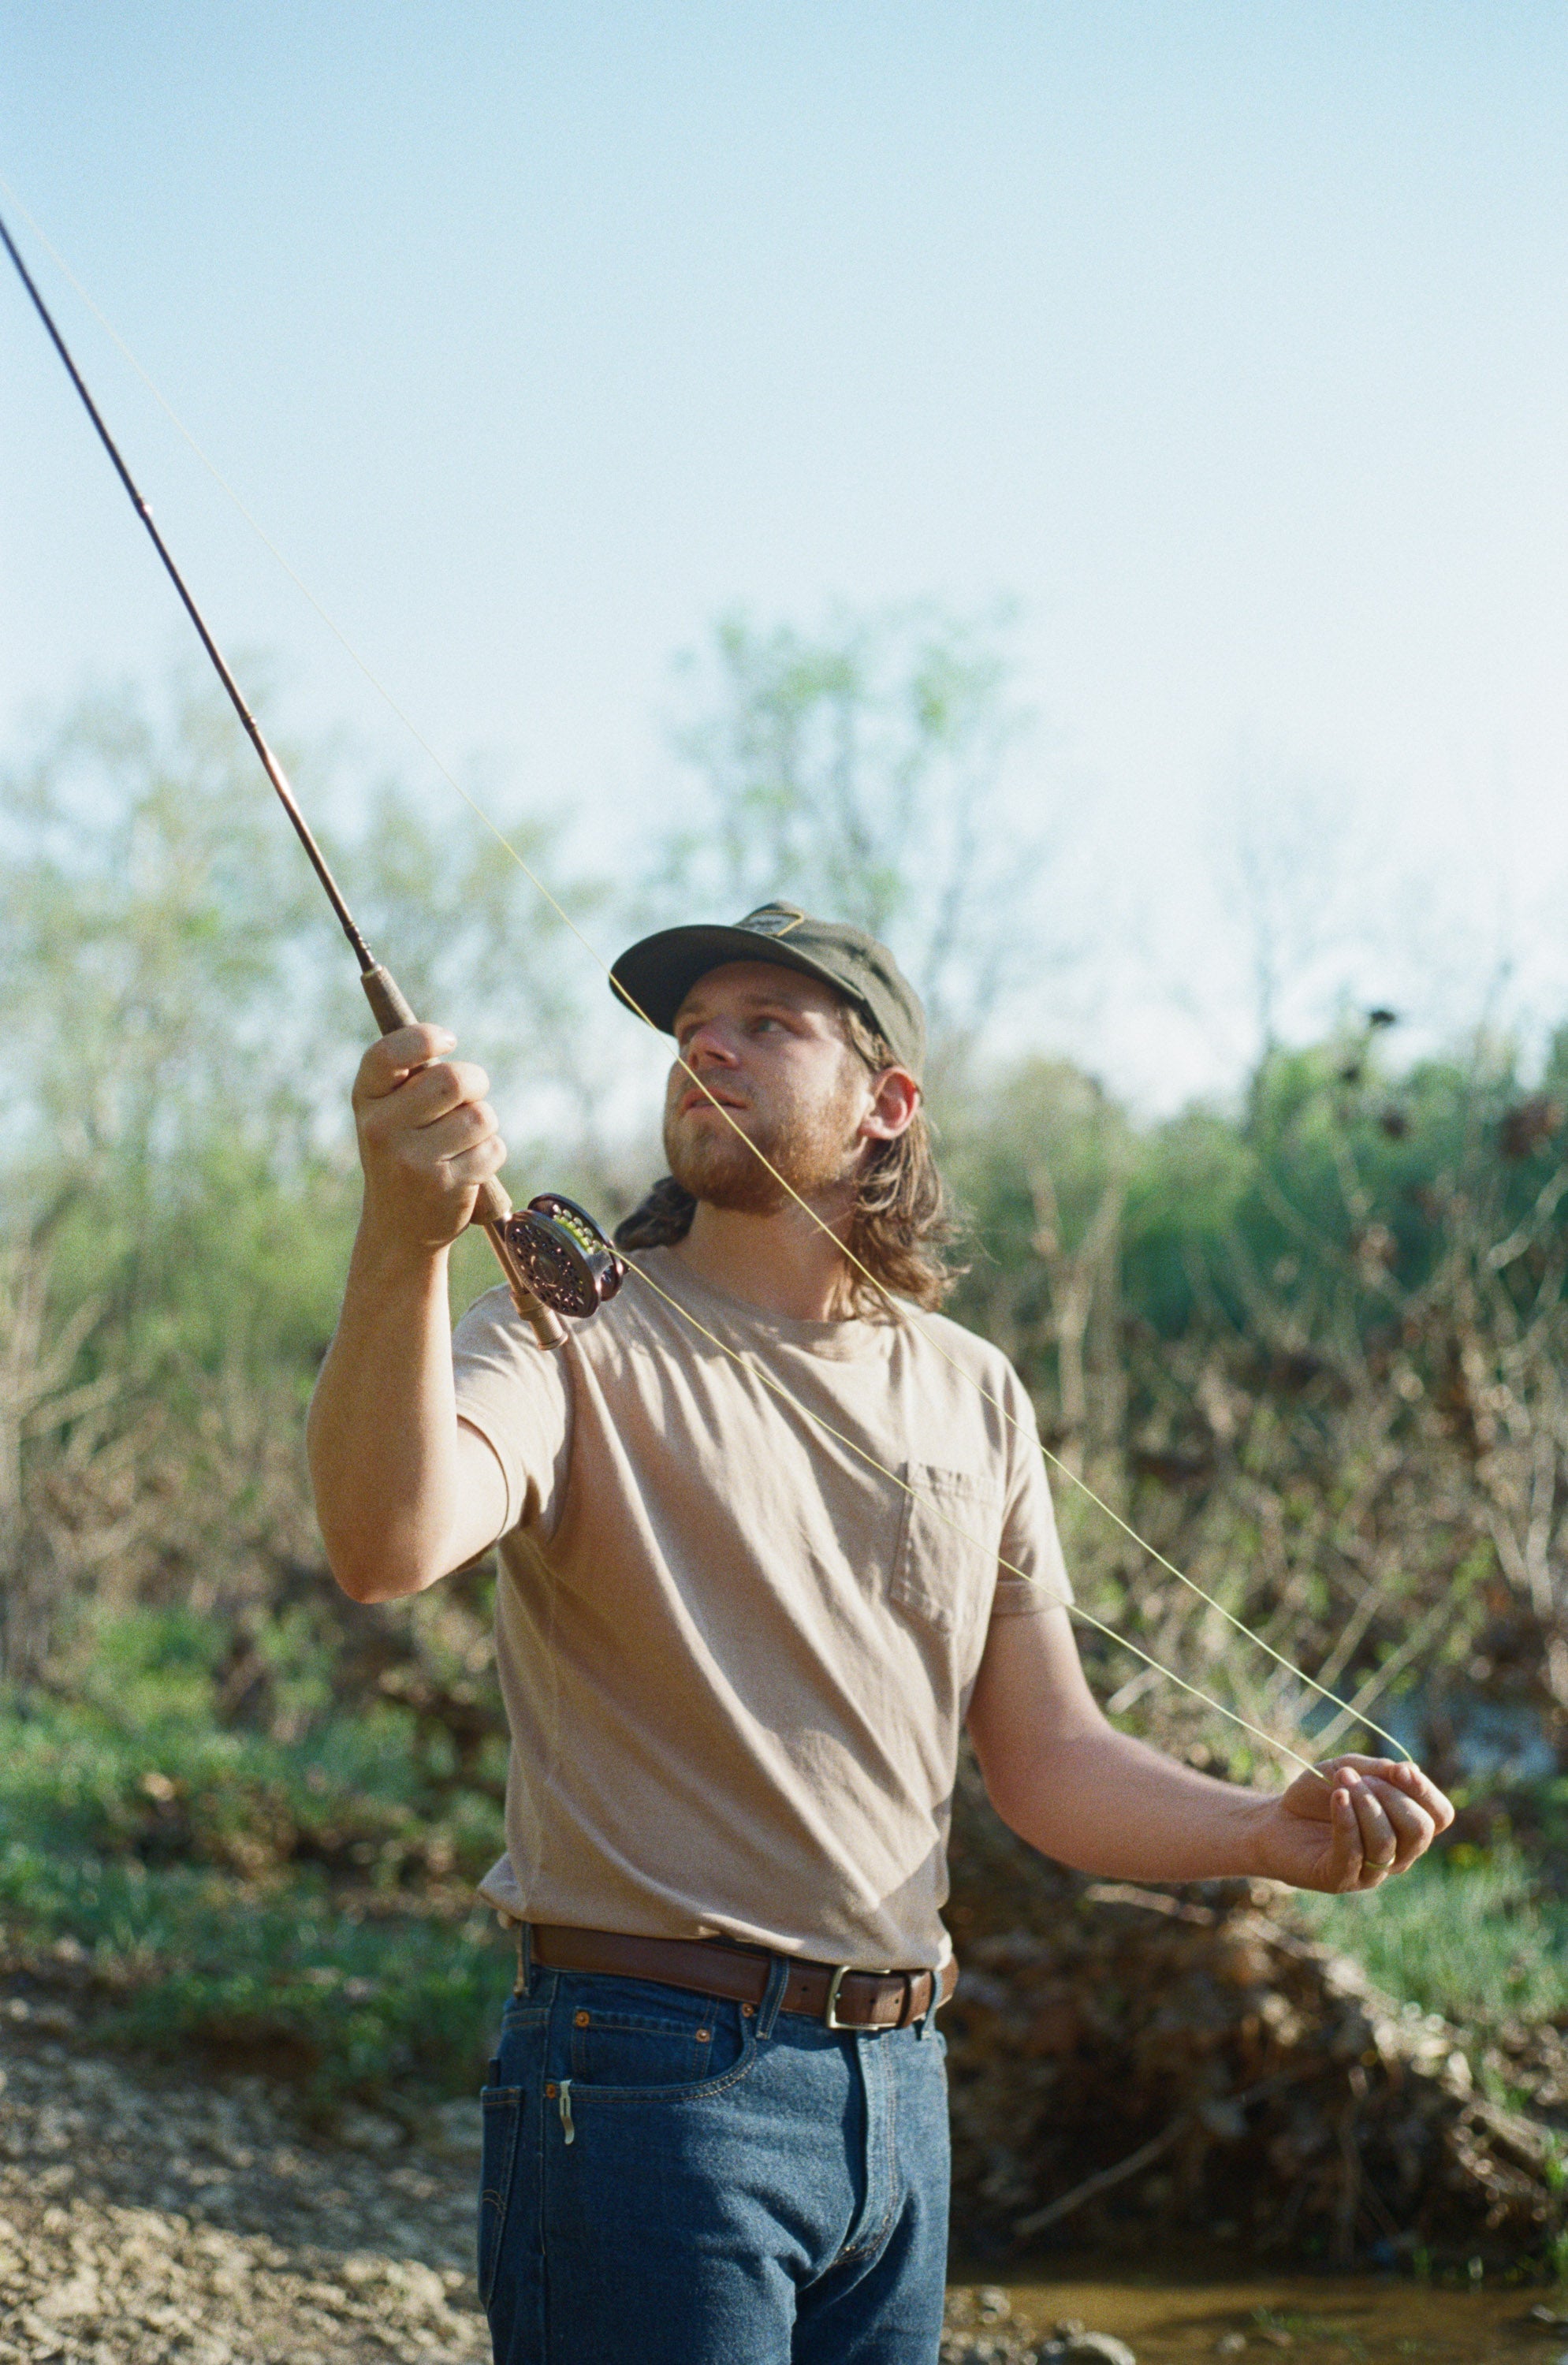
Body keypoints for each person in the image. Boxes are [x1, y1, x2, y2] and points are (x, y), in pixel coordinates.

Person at [307, 901, 1452, 2365]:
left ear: (886, 1108)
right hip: (641, 2076)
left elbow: (1047, 1763)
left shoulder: (975, 1392)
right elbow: (380, 1542)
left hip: (899, 2098)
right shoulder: (562, 1326)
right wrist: (401, 1244)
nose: (703, 1044)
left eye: (766, 1025)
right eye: (690, 1026)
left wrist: (1266, 1832)